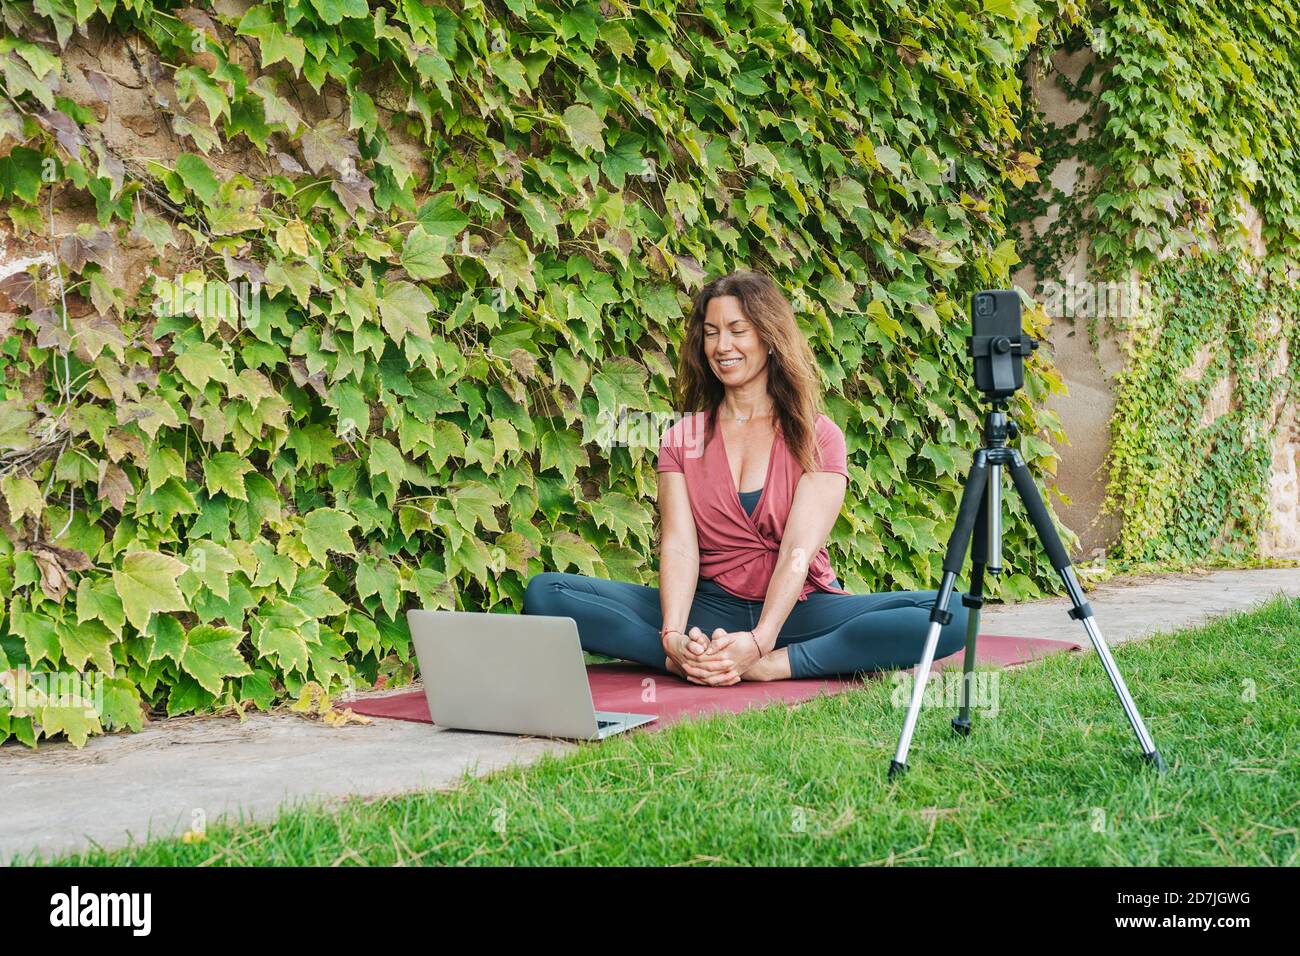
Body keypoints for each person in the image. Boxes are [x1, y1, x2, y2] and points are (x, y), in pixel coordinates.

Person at [523, 269, 968, 685]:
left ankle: (778, 666)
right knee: (547, 594)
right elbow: (679, 546)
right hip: (709, 608)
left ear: (769, 337)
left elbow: (797, 551)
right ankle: (689, 661)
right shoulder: (683, 438)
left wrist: (762, 642)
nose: (722, 346)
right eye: (712, 333)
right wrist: (673, 635)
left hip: (798, 610)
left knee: (956, 613)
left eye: (738, 331)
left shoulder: (818, 436)